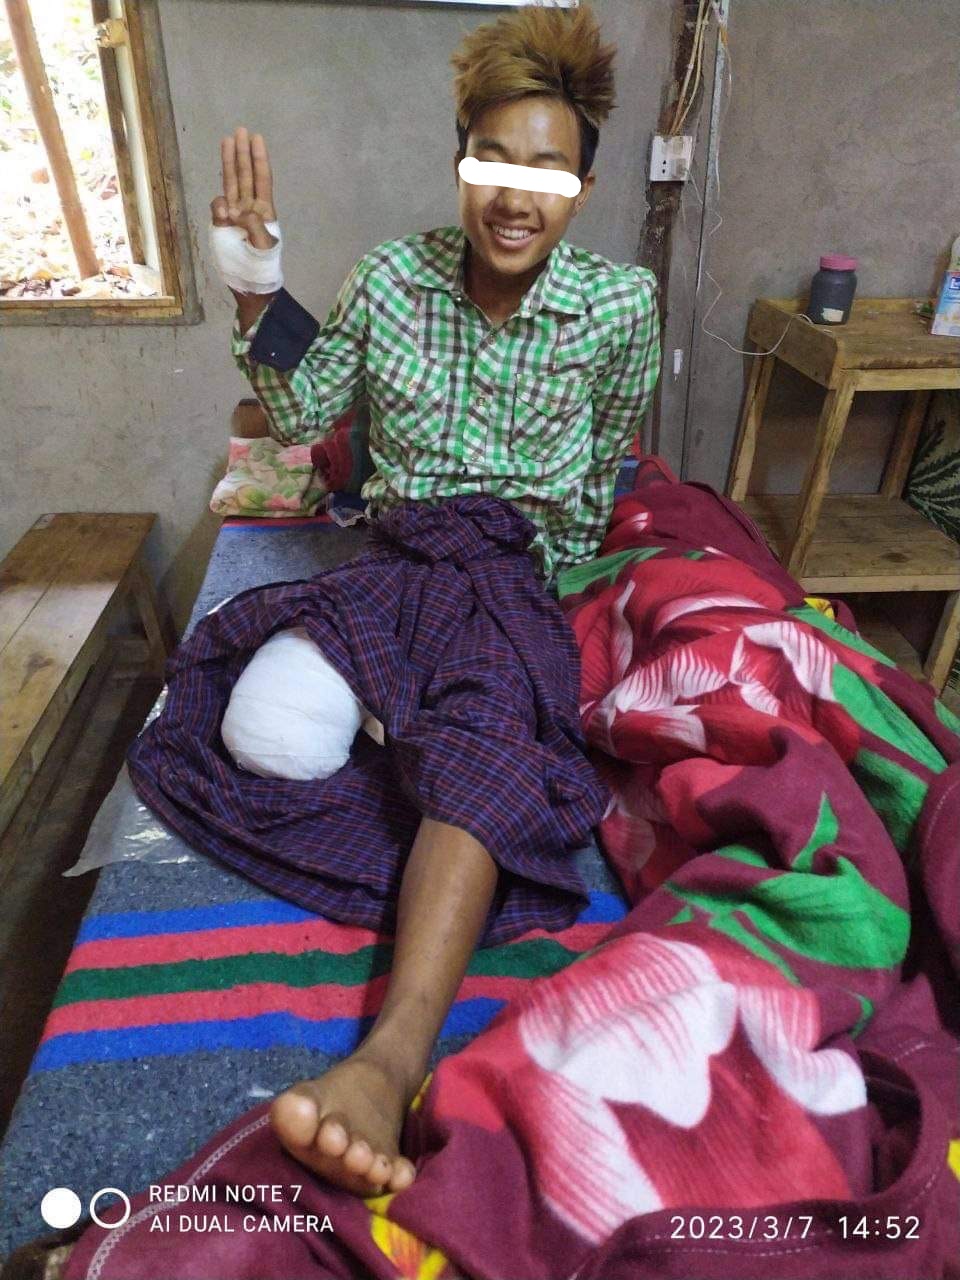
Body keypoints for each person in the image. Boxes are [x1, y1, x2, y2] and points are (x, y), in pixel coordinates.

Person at [205, 2, 660, 1199]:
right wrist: (255, 286)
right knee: (258, 733)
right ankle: (401, 709)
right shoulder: (391, 278)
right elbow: (302, 417)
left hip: (506, 572)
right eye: (492, 160)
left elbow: (602, 468)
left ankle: (387, 1059)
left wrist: (554, 606)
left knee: (484, 750)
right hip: (399, 554)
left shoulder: (620, 306)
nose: (515, 195)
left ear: (583, 188)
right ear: (460, 161)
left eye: (546, 171)